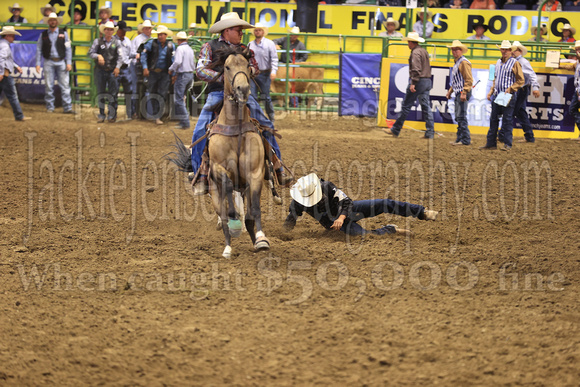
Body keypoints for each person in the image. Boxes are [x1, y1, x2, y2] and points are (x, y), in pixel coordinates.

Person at [190, 12, 293, 195]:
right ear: (227, 30)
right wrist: (223, 77)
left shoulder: (245, 49)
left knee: (266, 125)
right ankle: (201, 173)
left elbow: (256, 67)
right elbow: (200, 70)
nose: (241, 33)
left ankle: (278, 167)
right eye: (238, 30)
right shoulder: (210, 46)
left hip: (243, 93)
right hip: (218, 93)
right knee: (199, 130)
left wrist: (245, 72)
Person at [282, 173, 439, 237]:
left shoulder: (326, 186)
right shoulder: (297, 203)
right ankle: (390, 229)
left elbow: (347, 201)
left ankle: (422, 212)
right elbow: (291, 220)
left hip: (348, 211)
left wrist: (341, 218)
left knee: (384, 203)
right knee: (365, 236)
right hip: (333, 225)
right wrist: (283, 235)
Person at [383, 32, 434, 139]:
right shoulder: (423, 51)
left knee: (406, 106)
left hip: (418, 81)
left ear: (411, 42)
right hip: (427, 81)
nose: (407, 44)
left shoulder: (415, 53)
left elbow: (416, 69)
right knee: (426, 107)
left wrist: (413, 83)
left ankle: (395, 129)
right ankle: (430, 131)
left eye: (408, 42)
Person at [480, 40, 524, 151]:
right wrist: (491, 90)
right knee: (494, 119)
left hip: (508, 95)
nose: (504, 51)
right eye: (503, 49)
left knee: (507, 119)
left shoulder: (514, 63)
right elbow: (495, 78)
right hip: (498, 94)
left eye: (506, 49)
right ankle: (491, 143)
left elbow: (520, 80)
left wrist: (511, 89)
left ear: (510, 51)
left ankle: (507, 144)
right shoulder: (498, 62)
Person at [35, 12, 73, 114]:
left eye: (54, 20)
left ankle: (67, 107)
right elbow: (39, 49)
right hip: (49, 61)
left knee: (64, 85)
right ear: (49, 22)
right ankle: (50, 107)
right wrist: (38, 63)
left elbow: (68, 49)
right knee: (49, 86)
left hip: (61, 61)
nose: (52, 22)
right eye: (51, 20)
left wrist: (69, 62)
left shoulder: (64, 34)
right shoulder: (43, 35)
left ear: (57, 22)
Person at [88, 21, 123, 123]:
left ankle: (112, 115)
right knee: (101, 92)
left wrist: (118, 67)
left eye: (111, 29)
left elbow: (121, 57)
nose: (109, 31)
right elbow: (91, 53)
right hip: (100, 70)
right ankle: (102, 114)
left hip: (112, 71)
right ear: (104, 30)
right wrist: (98, 56)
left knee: (113, 93)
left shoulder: (117, 42)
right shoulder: (97, 42)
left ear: (113, 31)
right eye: (107, 29)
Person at [141, 25, 174, 125]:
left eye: (162, 35)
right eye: (159, 34)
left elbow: (174, 59)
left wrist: (173, 72)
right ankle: (156, 115)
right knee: (153, 93)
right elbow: (144, 54)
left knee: (162, 94)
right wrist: (145, 67)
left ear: (166, 35)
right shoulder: (151, 43)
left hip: (164, 73)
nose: (160, 36)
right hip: (153, 72)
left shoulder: (170, 46)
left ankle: (158, 115)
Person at [508, 41, 540, 144]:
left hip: (520, 90)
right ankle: (529, 136)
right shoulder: (512, 61)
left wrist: (535, 87)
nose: (512, 51)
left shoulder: (523, 62)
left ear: (520, 51)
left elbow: (532, 75)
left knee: (510, 111)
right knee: (520, 112)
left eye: (515, 50)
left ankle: (503, 134)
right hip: (516, 90)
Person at [248, 23, 278, 122]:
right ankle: (255, 117)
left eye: (259, 30)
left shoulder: (270, 44)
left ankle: (271, 116)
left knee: (265, 97)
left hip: (265, 73)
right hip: (253, 74)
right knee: (252, 96)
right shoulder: (250, 44)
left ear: (263, 32)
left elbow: (274, 58)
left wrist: (273, 71)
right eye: (256, 30)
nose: (257, 32)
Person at [0, 26, 30, 121]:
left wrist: (16, 66)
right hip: (4, 74)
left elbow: (5, 59)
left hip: (3, 73)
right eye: (12, 35)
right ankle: (19, 115)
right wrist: (1, 73)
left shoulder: (2, 44)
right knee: (12, 96)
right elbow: (1, 59)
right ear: (7, 36)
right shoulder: (5, 46)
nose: (14, 37)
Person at [446, 40, 472, 146]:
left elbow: (468, 79)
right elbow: (457, 80)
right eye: (453, 49)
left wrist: (464, 92)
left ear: (461, 51)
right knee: (459, 116)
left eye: (457, 49)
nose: (454, 51)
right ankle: (460, 138)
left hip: (462, 92)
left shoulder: (463, 63)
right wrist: (450, 91)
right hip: (459, 91)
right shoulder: (458, 62)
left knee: (461, 116)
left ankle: (465, 139)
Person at [168, 31, 195, 130]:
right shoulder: (190, 49)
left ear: (179, 40)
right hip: (190, 75)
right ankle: (183, 120)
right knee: (182, 97)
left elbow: (178, 62)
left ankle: (185, 121)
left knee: (178, 99)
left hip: (183, 75)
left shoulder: (180, 48)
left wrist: (171, 69)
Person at [558, 41, 580, 140]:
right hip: (578, 91)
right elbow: (568, 66)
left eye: (578, 49)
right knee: (572, 110)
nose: (577, 51)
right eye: (576, 50)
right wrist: (557, 64)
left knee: (572, 109)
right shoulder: (577, 63)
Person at [132, 20, 154, 119]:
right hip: (139, 67)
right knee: (139, 90)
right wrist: (137, 57)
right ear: (143, 29)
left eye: (149, 28)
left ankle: (145, 113)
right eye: (146, 28)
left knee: (146, 89)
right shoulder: (137, 39)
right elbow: (132, 53)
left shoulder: (153, 39)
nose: (148, 30)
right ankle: (137, 112)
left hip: (149, 68)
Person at [116, 21, 136, 120]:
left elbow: (131, 53)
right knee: (114, 92)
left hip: (126, 69)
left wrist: (136, 55)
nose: (124, 33)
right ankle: (113, 115)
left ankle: (130, 113)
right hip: (116, 69)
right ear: (118, 30)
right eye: (122, 30)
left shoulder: (127, 41)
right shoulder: (113, 41)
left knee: (129, 92)